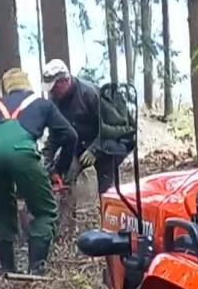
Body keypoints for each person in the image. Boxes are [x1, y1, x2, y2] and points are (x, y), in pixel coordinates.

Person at [0, 68, 77, 275]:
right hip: (22, 153)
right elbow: (70, 136)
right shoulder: (42, 104)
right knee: (44, 211)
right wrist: (58, 169)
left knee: (3, 211)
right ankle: (35, 271)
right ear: (26, 84)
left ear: (6, 87)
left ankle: (7, 269)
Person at [40, 59, 134, 194]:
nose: (52, 92)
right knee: (66, 174)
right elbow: (55, 135)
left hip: (110, 141)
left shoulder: (90, 94)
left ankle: (108, 199)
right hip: (81, 145)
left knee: (105, 183)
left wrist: (95, 149)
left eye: (54, 87)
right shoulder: (55, 102)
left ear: (65, 81)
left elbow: (117, 126)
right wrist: (48, 164)